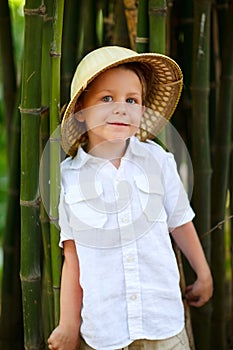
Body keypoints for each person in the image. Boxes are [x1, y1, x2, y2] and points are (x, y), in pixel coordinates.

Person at [48, 46, 213, 350]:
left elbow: (180, 222)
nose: (121, 108)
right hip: (103, 328)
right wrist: (68, 324)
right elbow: (72, 257)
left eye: (132, 100)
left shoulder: (158, 161)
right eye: (107, 98)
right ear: (81, 112)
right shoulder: (69, 177)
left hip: (163, 321)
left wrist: (202, 272)